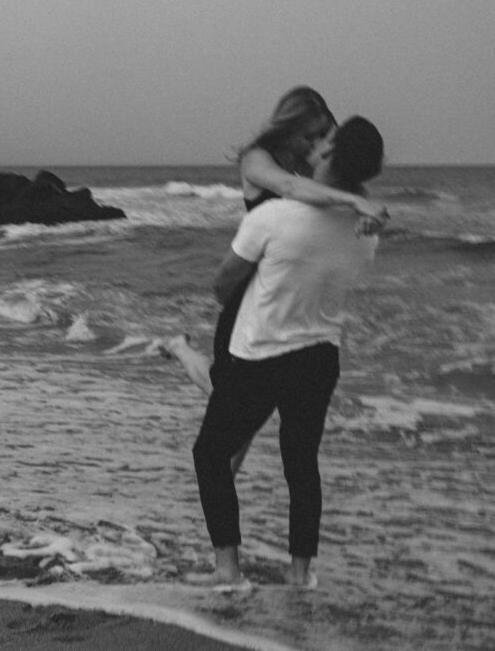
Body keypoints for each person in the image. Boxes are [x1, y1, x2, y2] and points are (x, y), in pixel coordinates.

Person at [190, 116, 386, 591]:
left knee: (209, 455)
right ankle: (300, 576)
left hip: (258, 355)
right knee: (301, 465)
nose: (316, 146)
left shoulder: (272, 216)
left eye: (326, 142)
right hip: (320, 357)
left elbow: (222, 282)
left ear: (331, 155)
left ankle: (228, 570)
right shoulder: (366, 232)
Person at [163, 87, 387, 474]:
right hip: (249, 292)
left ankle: (218, 517)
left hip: (278, 292)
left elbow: (345, 189)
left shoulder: (308, 168)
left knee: (237, 413)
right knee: (230, 404)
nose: (314, 144)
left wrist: (371, 210)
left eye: (322, 136)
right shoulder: (258, 159)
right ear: (286, 127)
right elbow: (290, 189)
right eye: (308, 134)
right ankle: (181, 350)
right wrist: (354, 202)